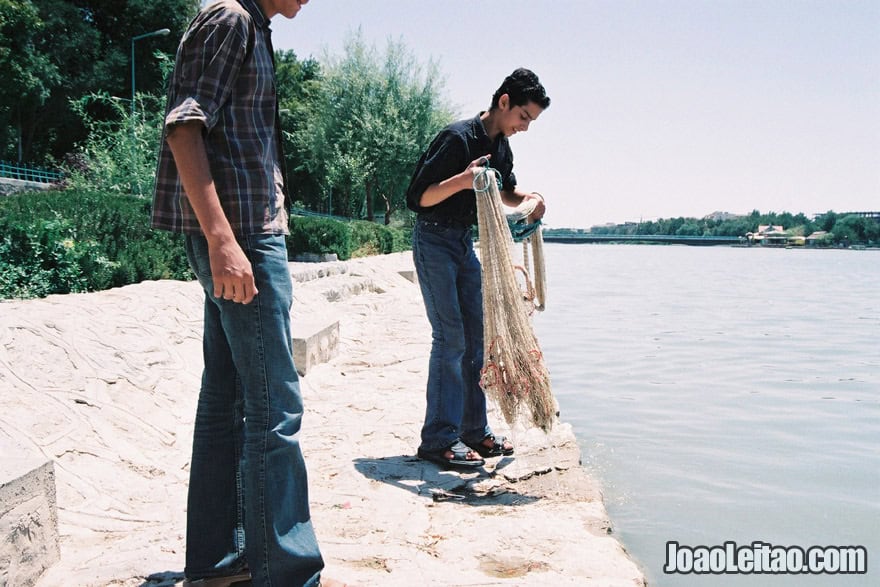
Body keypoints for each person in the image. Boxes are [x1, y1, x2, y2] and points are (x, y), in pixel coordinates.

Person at [152, 1, 346, 585]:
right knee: (275, 407)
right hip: (242, 240)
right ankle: (287, 572)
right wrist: (221, 240)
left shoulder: (251, 26)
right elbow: (184, 126)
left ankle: (221, 560)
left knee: (228, 398)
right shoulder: (231, 18)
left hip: (241, 237)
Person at [405, 68, 551, 469]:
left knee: (476, 339)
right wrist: (464, 181)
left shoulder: (501, 147)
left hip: (463, 243)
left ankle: (473, 431)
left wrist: (532, 197)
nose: (525, 126)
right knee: (450, 338)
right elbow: (418, 197)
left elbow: (505, 191)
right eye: (524, 117)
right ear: (504, 102)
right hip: (433, 240)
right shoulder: (456, 138)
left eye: (531, 121)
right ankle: (437, 439)